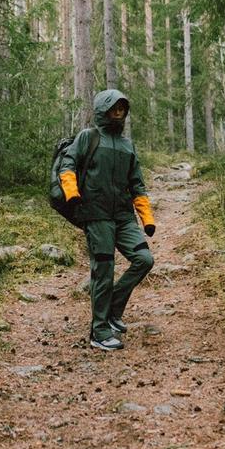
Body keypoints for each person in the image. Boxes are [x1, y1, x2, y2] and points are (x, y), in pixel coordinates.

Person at [58, 89, 156, 351]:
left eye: (123, 108)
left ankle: (112, 310)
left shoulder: (127, 146)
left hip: (123, 217)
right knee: (103, 270)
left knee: (144, 260)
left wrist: (147, 218)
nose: (119, 112)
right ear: (103, 109)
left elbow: (137, 184)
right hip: (96, 214)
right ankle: (99, 331)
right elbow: (67, 165)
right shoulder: (88, 137)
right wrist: (72, 195)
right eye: (114, 107)